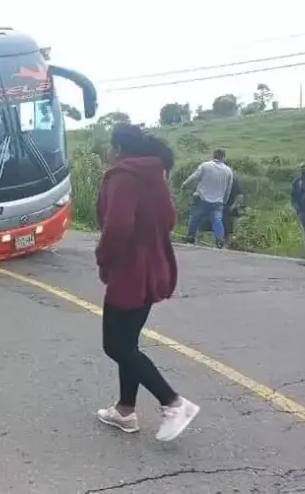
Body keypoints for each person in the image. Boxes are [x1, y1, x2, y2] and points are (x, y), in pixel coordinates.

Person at [95, 124, 199, 442]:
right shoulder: (154, 174)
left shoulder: (122, 176)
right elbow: (170, 219)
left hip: (130, 271)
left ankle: (173, 403)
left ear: (118, 149)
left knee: (114, 345)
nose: (108, 153)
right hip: (154, 267)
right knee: (128, 344)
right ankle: (125, 411)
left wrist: (104, 258)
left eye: (110, 148)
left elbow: (118, 226)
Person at [181, 148, 234, 248]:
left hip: (201, 198)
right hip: (218, 201)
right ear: (224, 157)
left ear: (213, 155)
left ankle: (190, 238)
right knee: (217, 221)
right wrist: (224, 200)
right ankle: (219, 240)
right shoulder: (228, 171)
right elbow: (228, 189)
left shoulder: (205, 165)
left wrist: (184, 184)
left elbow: (194, 177)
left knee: (194, 219)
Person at [200, 177, 244, 247]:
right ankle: (219, 244)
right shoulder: (217, 179)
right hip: (218, 206)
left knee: (228, 230)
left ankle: (225, 246)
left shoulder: (233, 181)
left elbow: (240, 196)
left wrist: (233, 206)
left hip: (228, 208)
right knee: (216, 226)